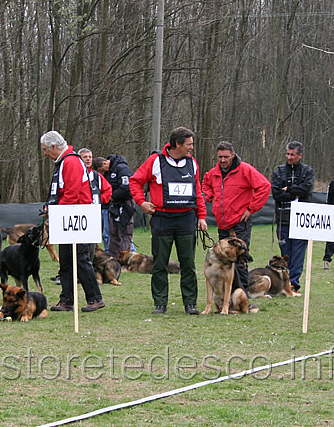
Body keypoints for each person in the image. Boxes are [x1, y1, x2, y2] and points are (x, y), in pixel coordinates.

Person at [129, 126, 207, 315]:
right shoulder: (155, 161)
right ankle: (160, 303)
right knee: (160, 263)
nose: (191, 148)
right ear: (177, 144)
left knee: (188, 263)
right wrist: (141, 202)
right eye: (189, 144)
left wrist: (202, 216)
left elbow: (197, 190)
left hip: (186, 218)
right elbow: (135, 181)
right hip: (162, 218)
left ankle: (190, 303)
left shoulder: (192, 163)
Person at [40, 131, 105, 313]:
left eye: (46, 149)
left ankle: (95, 298)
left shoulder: (71, 161)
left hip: (78, 217)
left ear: (54, 147)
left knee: (81, 259)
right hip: (67, 217)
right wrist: (50, 209)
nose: (45, 153)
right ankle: (67, 299)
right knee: (66, 261)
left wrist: (56, 212)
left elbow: (72, 193)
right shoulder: (63, 162)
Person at [202, 141, 270, 288]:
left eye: (226, 157)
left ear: (233, 155)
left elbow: (264, 186)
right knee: (224, 260)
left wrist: (251, 209)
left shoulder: (245, 170)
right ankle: (228, 294)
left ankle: (242, 294)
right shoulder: (213, 173)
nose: (223, 160)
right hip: (222, 224)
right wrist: (211, 197)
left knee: (239, 260)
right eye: (220, 157)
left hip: (239, 223)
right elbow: (205, 184)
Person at [271, 141, 315, 293]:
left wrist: (288, 189)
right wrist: (295, 193)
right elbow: (276, 193)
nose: (289, 157)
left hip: (301, 220)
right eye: (287, 154)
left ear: (300, 155)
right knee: (286, 253)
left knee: (298, 253)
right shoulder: (279, 171)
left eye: (292, 154)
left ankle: (294, 284)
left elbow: (307, 189)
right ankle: (283, 282)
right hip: (283, 218)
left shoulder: (307, 171)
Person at [95, 154, 136, 259]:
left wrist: (112, 196)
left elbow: (127, 187)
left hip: (125, 204)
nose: (103, 172)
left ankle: (126, 259)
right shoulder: (108, 172)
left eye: (102, 170)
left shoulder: (122, 168)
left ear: (105, 163)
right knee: (113, 233)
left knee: (124, 233)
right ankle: (113, 259)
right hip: (114, 206)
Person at [78, 148, 112, 255]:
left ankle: (91, 263)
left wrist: (100, 200)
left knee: (92, 243)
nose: (88, 159)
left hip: (94, 214)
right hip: (79, 214)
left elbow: (108, 190)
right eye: (85, 157)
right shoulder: (76, 174)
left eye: (90, 157)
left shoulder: (97, 176)